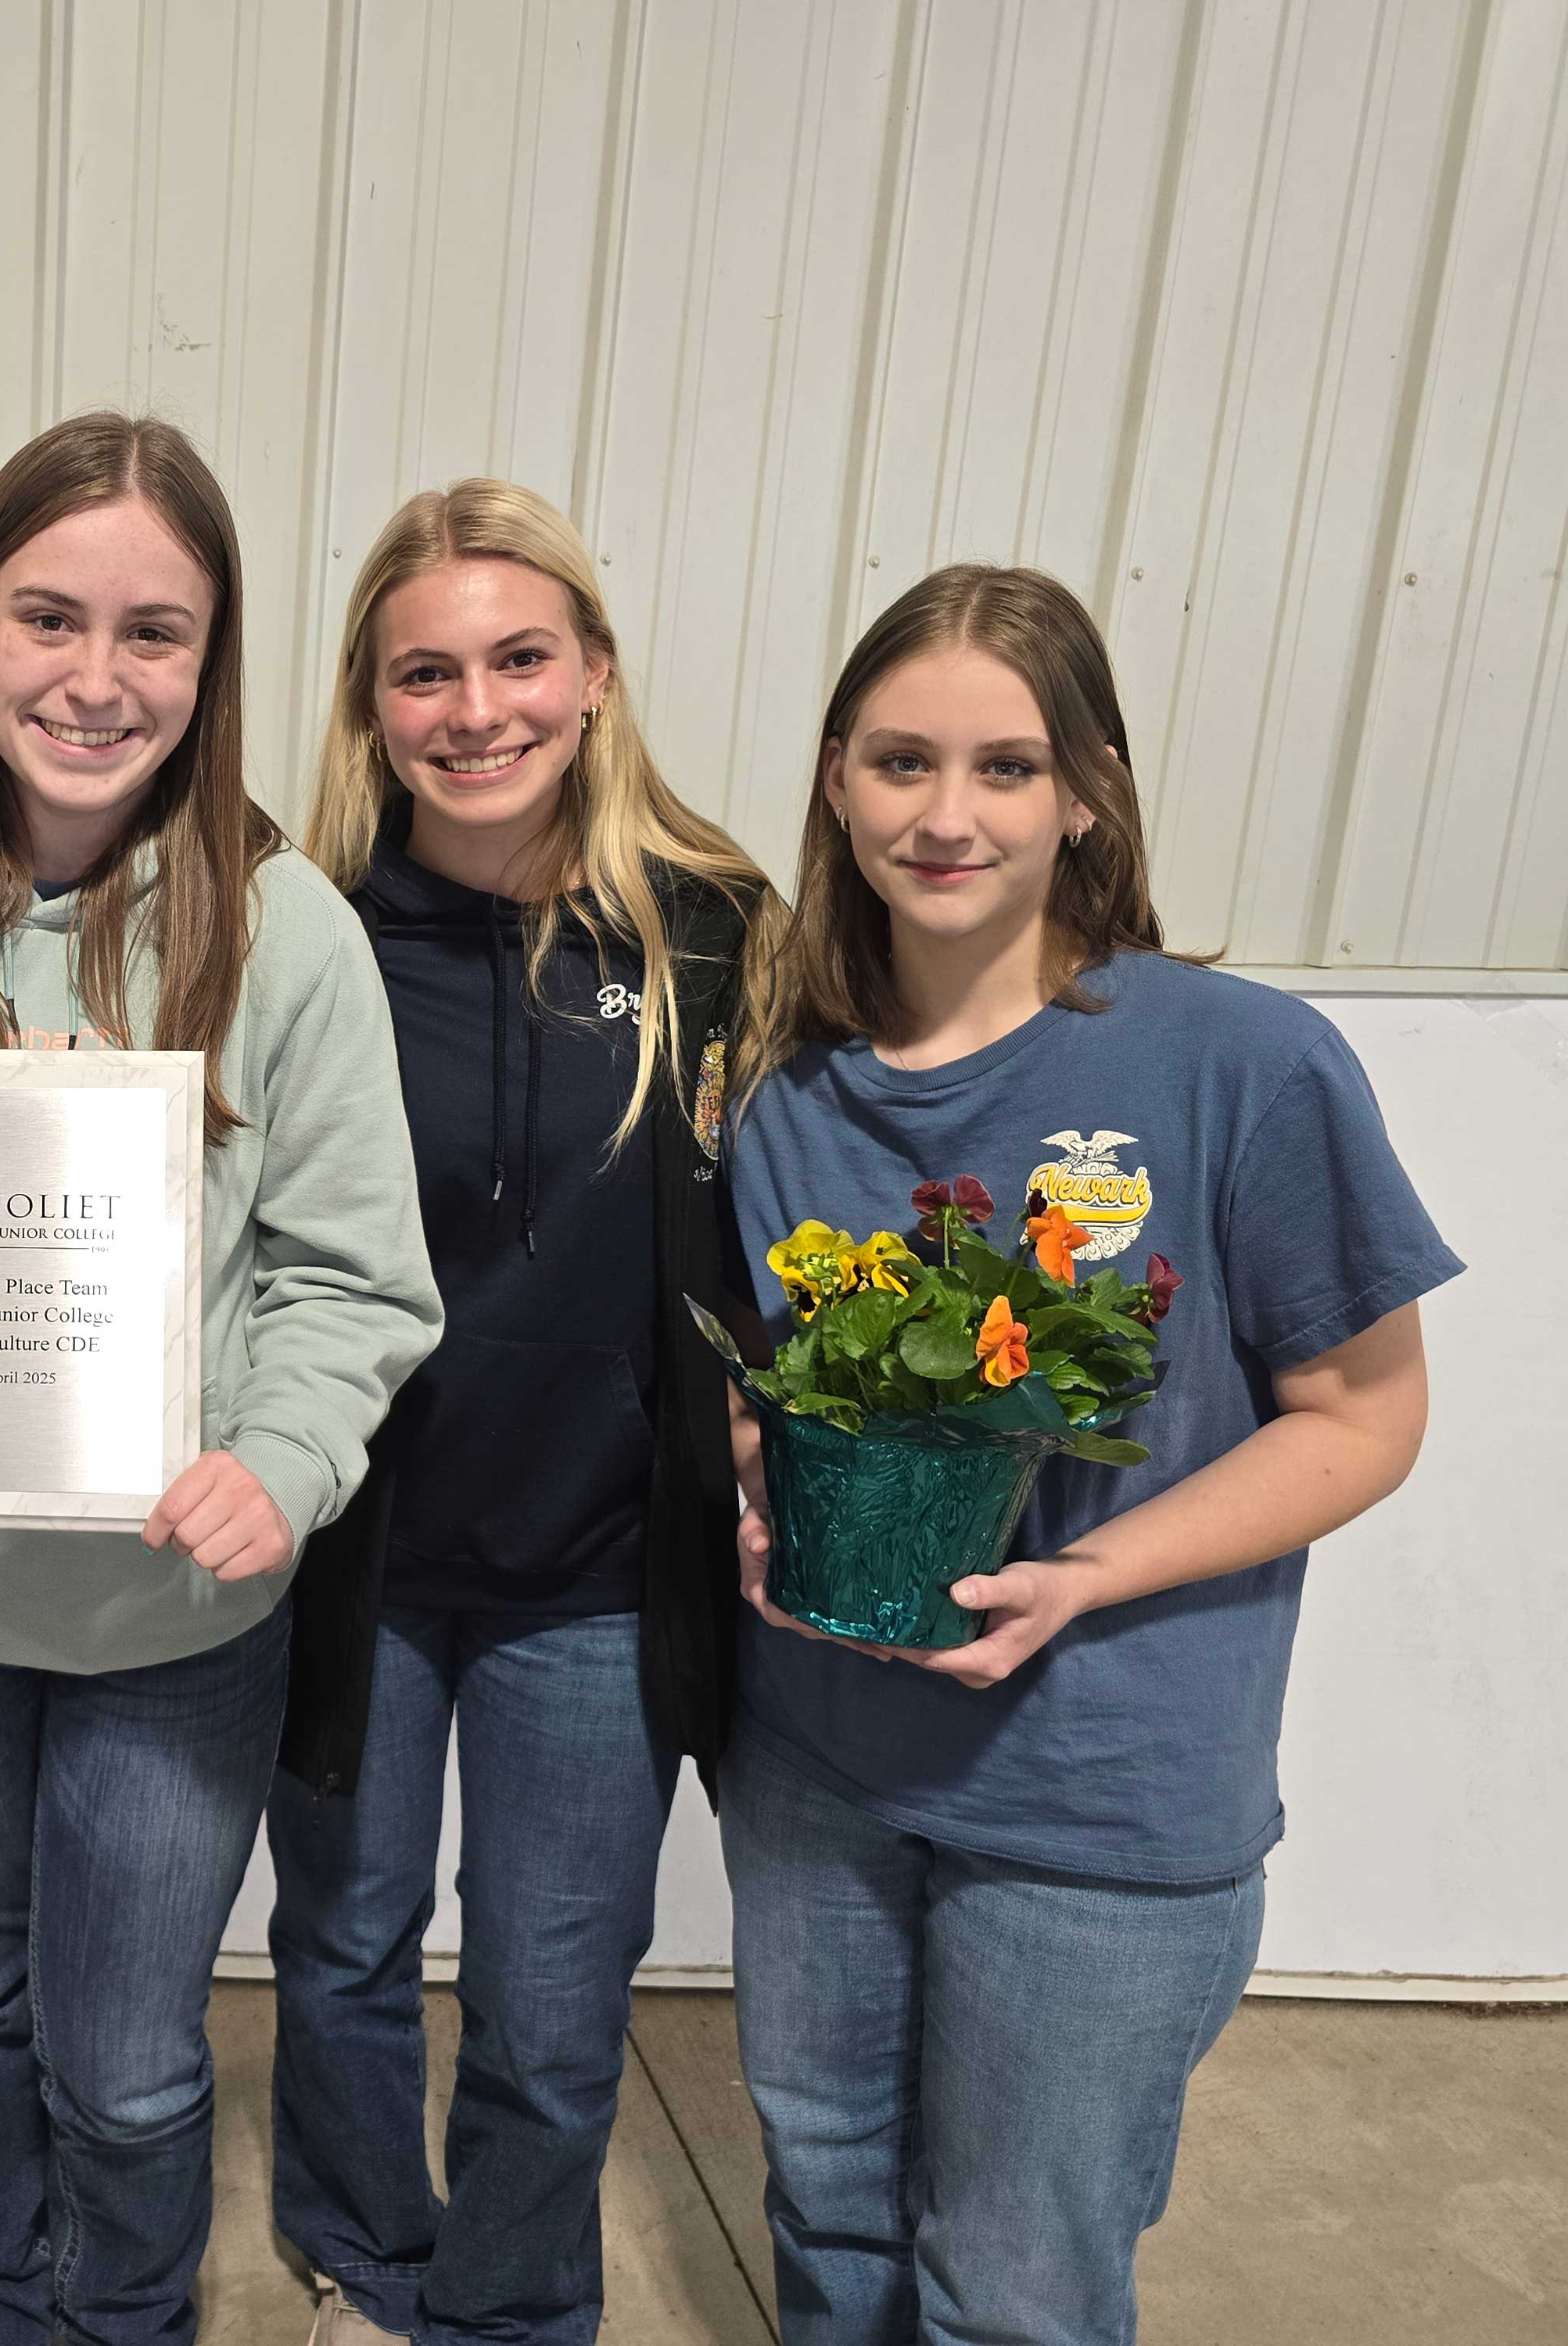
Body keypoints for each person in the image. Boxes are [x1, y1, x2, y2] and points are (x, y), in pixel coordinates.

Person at [0, 410, 443, 2345]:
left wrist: (281, 1458)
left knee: (126, 2067)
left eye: (154, 632)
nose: (93, 678)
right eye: (48, 617)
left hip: (174, 1616)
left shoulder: (288, 937)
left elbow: (351, 1278)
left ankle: (126, 2318)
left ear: (212, 664)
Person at [720, 565, 1456, 2346]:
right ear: (835, 782)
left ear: (1087, 796)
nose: (945, 816)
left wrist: (1079, 1577)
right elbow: (769, 1382)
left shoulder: (1239, 1064)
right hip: (819, 1768)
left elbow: (1364, 1418)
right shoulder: (782, 1088)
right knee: (826, 2214)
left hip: (1102, 1800)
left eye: (1005, 767)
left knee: (1015, 2289)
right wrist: (763, 1488)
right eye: (901, 761)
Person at [271, 479, 775, 2346]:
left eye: (517, 660)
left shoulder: (712, 933)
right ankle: (365, 2265)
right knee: (341, 1950)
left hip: (594, 1572)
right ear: (369, 701)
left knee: (555, 2005)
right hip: (355, 1558)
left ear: (594, 675)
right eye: (424, 672)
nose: (473, 709)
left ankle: (502, 2312)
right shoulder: (298, 932)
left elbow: (789, 1221)